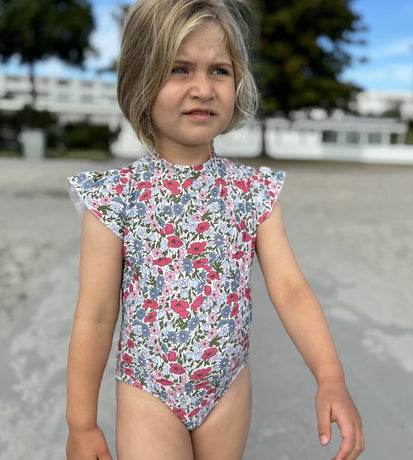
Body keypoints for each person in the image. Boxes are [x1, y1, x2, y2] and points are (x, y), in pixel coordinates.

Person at [65, 0, 365, 459]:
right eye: (179, 69)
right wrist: (81, 424)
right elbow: (96, 314)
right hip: (149, 391)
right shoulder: (115, 196)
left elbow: (290, 289)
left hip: (228, 388)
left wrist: (331, 376)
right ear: (141, 80)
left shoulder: (253, 192)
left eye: (219, 71)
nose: (203, 89)